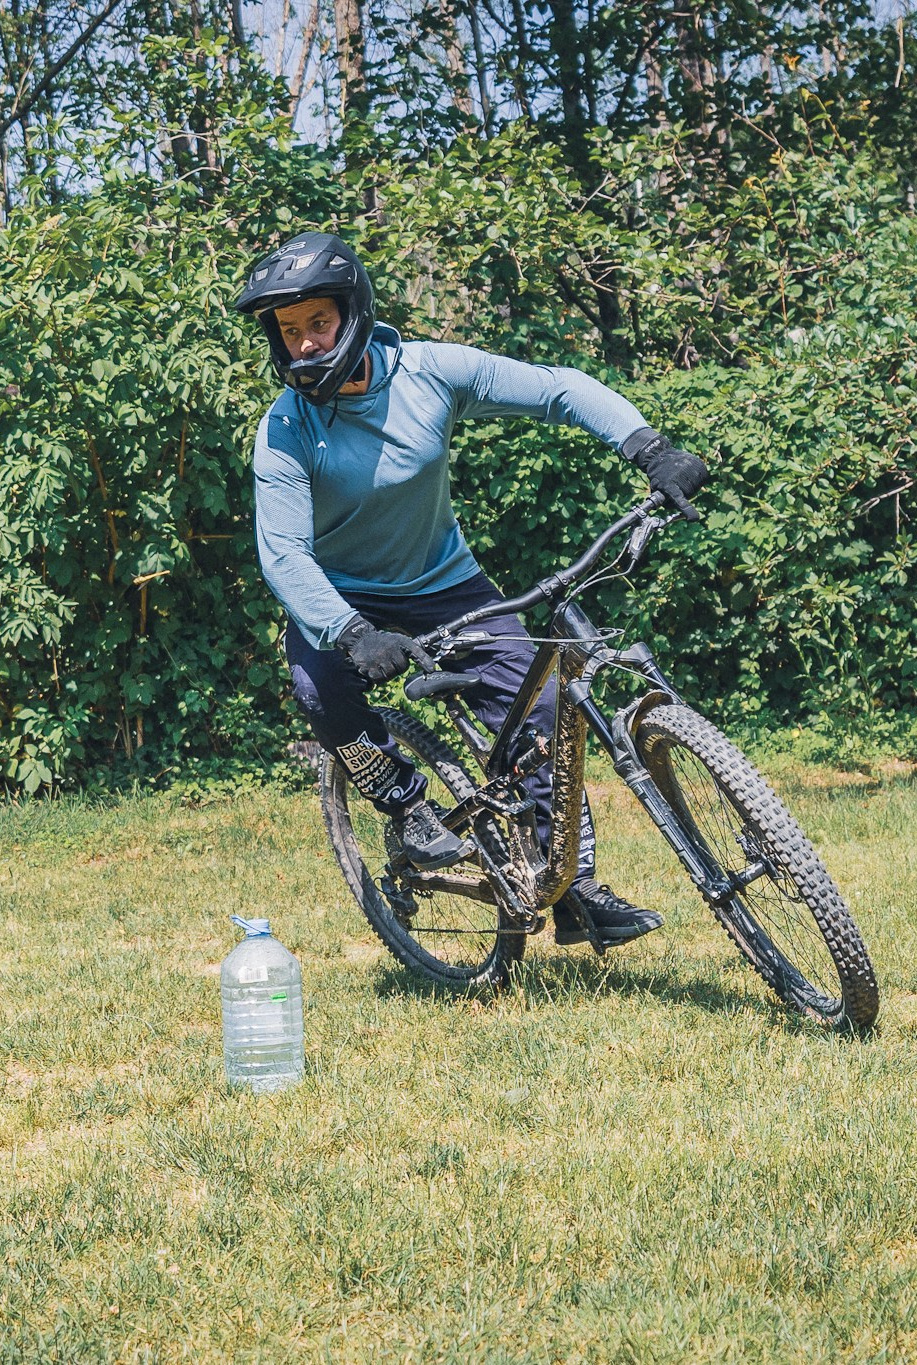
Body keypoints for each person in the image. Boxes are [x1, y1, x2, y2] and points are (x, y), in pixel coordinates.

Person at [236, 232, 708, 949]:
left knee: (545, 712)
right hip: (341, 602)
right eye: (289, 330)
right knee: (317, 689)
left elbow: (555, 388)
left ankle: (573, 890)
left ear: (353, 312)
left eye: (318, 323)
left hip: (445, 586)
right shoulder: (285, 430)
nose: (304, 344)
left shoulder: (430, 372)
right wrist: (353, 632)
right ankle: (403, 805)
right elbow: (284, 554)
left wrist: (650, 448)